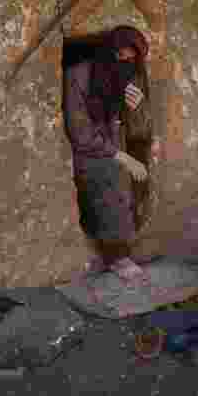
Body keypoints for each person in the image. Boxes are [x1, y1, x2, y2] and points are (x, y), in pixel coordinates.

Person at [62, 25, 151, 283]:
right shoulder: (78, 75)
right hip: (86, 150)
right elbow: (81, 134)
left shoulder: (125, 79)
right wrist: (121, 156)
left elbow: (130, 126)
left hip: (111, 147)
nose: (123, 64)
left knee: (129, 179)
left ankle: (120, 241)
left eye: (130, 60)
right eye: (119, 56)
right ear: (107, 51)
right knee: (106, 174)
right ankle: (116, 255)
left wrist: (131, 108)